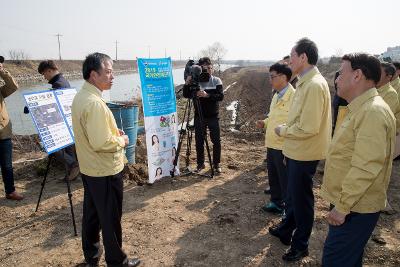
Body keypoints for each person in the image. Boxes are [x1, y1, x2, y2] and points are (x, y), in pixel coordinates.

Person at [320, 53, 396, 266]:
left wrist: (342, 207)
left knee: (336, 260)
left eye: (340, 73)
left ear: (357, 75)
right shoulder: (359, 108)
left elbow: (366, 166)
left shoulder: (372, 112)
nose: (336, 79)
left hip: (355, 208)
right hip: (351, 203)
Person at [71, 52, 140, 267]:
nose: (113, 76)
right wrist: (122, 140)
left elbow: (95, 134)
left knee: (92, 215)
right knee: (110, 218)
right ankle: (117, 261)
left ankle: (91, 256)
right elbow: (101, 143)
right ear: (93, 75)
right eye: (108, 72)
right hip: (105, 170)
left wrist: (112, 132)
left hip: (91, 169)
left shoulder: (82, 97)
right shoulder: (95, 104)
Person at [270, 38, 332, 262]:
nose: (290, 61)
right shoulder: (305, 82)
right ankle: (287, 229)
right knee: (294, 196)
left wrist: (283, 130)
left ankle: (301, 244)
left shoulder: (314, 85)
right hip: (297, 150)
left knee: (302, 200)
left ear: (303, 57)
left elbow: (309, 126)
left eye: (292, 56)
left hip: (305, 152)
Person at [256, 63, 295, 214]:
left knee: (284, 179)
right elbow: (273, 118)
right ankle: (276, 202)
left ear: (284, 77)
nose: (270, 80)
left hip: (283, 146)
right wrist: (264, 123)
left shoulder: (294, 97)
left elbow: (293, 122)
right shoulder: (276, 95)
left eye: (272, 77)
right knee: (273, 177)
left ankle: (286, 208)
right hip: (271, 143)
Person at [37, 60, 80, 181]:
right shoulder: (63, 81)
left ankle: (73, 165)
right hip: (68, 121)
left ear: (49, 70)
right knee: (68, 147)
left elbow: (53, 105)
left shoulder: (58, 84)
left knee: (53, 147)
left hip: (61, 123)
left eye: (44, 73)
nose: (44, 77)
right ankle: (72, 172)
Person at [182, 57, 224, 173]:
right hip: (198, 117)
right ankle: (200, 164)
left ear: (213, 69)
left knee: (216, 141)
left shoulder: (217, 80)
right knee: (199, 141)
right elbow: (186, 95)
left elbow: (220, 96)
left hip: (213, 116)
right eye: (205, 69)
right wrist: (187, 82)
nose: (208, 71)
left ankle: (216, 164)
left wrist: (207, 95)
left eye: (210, 68)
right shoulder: (196, 80)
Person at [0, 58, 23, 200]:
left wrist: (2, 71)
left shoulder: (1, 91)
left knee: (7, 166)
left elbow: (13, 85)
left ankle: (10, 191)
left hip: (3, 134)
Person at [376, 62, 400, 134]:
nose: (375, 75)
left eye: (379, 73)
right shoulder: (373, 88)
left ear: (388, 77)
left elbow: (384, 119)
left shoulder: (391, 94)